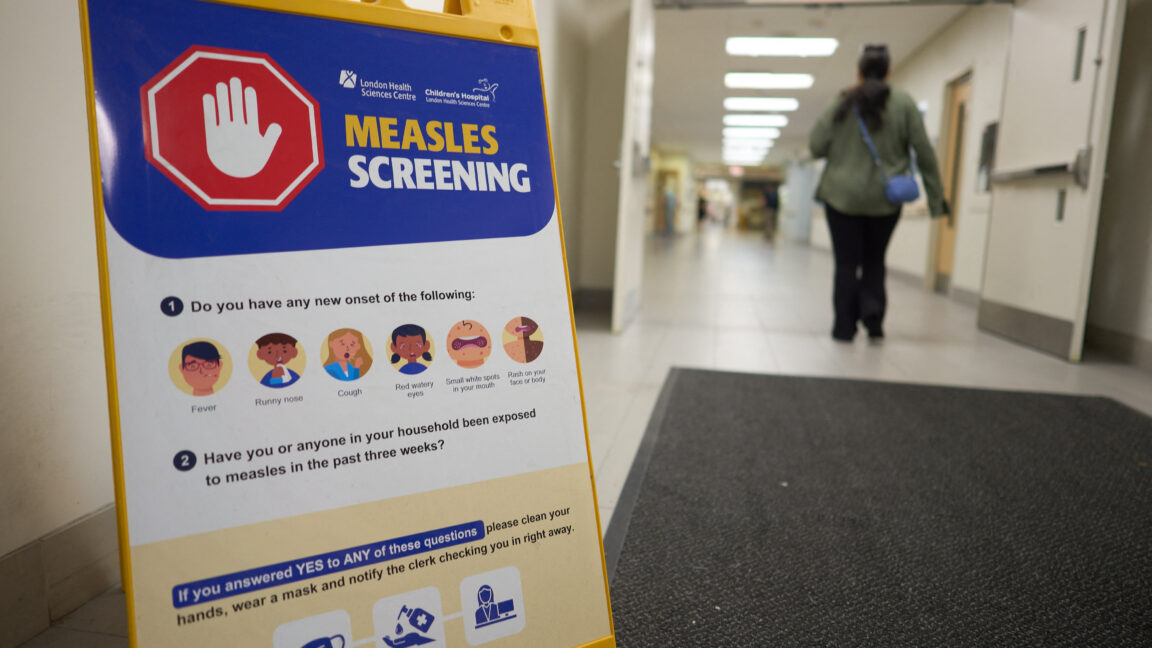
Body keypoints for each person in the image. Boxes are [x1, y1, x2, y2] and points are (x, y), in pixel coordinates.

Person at [809, 44, 947, 342]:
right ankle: (873, 318)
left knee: (846, 264)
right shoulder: (905, 104)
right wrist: (936, 200)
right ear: (888, 72)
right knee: (875, 260)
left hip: (841, 197)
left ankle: (843, 328)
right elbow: (924, 152)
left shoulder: (843, 102)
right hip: (886, 200)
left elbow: (816, 145)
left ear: (858, 72)